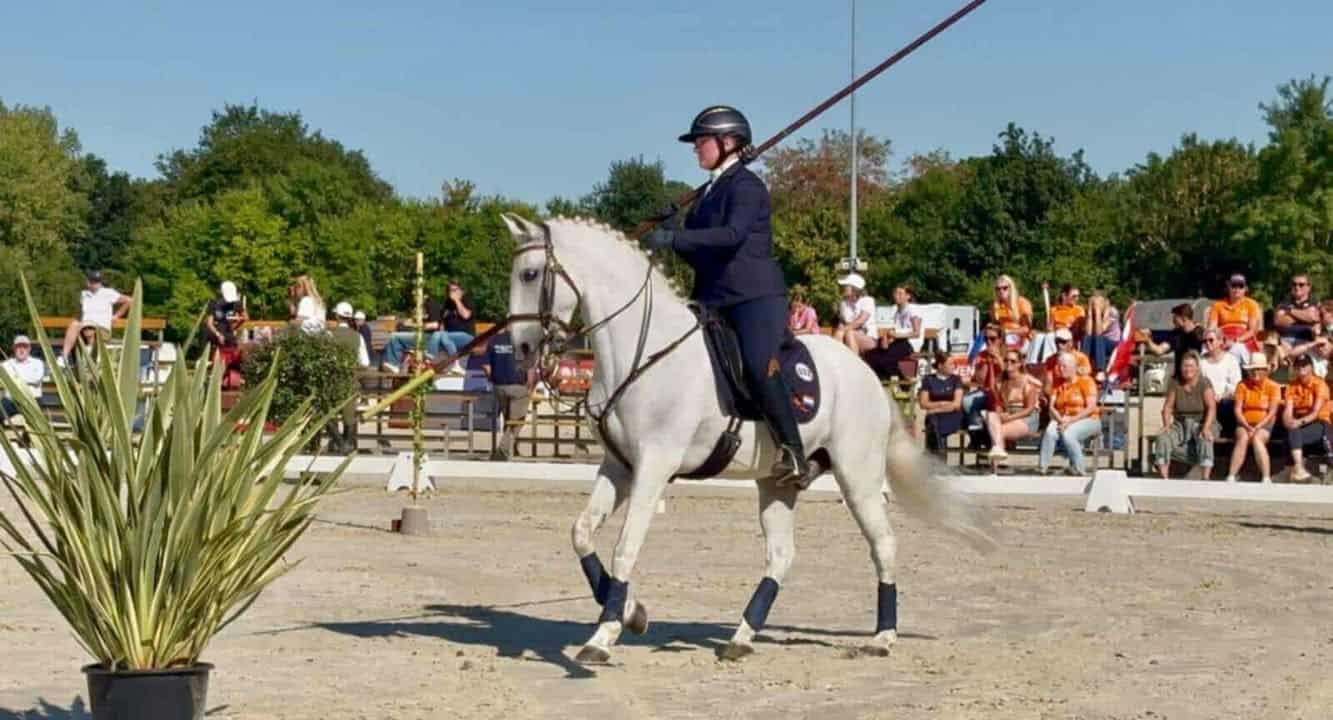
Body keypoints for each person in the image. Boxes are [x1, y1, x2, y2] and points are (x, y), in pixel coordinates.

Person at [638, 105, 814, 486]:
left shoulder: (747, 187)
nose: (696, 149)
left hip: (753, 297)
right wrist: (674, 231)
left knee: (756, 364)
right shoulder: (706, 196)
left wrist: (676, 236)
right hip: (712, 297)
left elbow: (732, 236)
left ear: (727, 142)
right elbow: (698, 249)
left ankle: (794, 452)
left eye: (701, 141)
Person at [1151, 351, 1218, 479]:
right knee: (1163, 438)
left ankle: (1205, 478)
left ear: (1197, 368)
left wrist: (1206, 427)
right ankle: (1164, 478)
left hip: (1202, 421)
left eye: (1191, 366)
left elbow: (1212, 407)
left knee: (1205, 438)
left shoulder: (1204, 383)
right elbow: (1167, 407)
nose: (1188, 369)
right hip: (1181, 423)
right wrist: (1166, 425)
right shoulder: (1175, 383)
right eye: (1185, 366)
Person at [1038, 352, 1102, 476]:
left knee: (1068, 434)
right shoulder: (1058, 384)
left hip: (1089, 419)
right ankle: (1042, 467)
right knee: (1050, 431)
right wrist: (1061, 421)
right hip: (1063, 419)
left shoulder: (1086, 381)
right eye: (1059, 366)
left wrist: (1071, 421)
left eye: (1064, 366)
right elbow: (1051, 407)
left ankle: (1079, 469)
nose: (1061, 369)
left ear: (1074, 367)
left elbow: (1091, 407)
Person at [1226, 353, 1282, 483]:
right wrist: (1246, 425)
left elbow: (1272, 412)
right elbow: (1237, 409)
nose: (1255, 372)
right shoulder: (1242, 385)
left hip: (1265, 423)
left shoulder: (1273, 386)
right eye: (1253, 369)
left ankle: (1266, 477)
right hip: (1244, 422)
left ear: (1265, 370)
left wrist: (1258, 426)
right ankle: (1231, 475)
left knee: (1257, 438)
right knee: (1243, 437)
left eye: (1258, 369)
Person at [59, 270, 132, 364]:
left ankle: (91, 361)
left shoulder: (108, 293)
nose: (95, 284)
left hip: (101, 329)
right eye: (93, 282)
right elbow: (80, 313)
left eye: (97, 282)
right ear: (88, 282)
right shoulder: (83, 295)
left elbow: (129, 301)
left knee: (90, 330)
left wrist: (116, 316)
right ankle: (64, 356)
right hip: (85, 327)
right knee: (74, 324)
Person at [984, 349, 1041, 465]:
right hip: (1010, 414)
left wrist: (1009, 418)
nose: (1008, 363)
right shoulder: (1001, 382)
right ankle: (998, 463)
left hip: (1027, 417)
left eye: (1013, 361)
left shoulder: (1027, 382)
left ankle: (995, 468)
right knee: (991, 415)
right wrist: (1000, 414)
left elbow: (1029, 409)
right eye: (1006, 360)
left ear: (1019, 364)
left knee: (998, 431)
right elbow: (997, 399)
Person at [483, 331, 532, 461]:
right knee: (516, 421)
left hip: (499, 387)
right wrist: (530, 385)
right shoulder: (522, 340)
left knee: (508, 419)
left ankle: (511, 450)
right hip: (518, 387)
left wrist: (494, 380)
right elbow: (530, 364)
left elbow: (486, 367)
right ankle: (503, 451)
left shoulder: (493, 341)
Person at [1281, 354, 1329, 482]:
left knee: (1294, 432)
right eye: (1298, 366)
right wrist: (1288, 421)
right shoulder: (1292, 386)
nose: (1301, 369)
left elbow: (1315, 412)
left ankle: (1293, 469)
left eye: (1304, 365)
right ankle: (1297, 469)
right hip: (1300, 422)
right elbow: (1288, 409)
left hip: (1320, 423)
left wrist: (1298, 422)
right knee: (1292, 430)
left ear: (1311, 367)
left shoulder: (1319, 384)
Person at [961, 325, 1005, 449]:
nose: (989, 342)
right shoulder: (981, 355)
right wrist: (984, 365)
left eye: (993, 338)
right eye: (986, 339)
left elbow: (1009, 375)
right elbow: (979, 379)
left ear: (1000, 339)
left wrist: (998, 359)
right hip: (986, 391)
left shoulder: (1009, 354)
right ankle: (977, 433)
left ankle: (983, 437)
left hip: (1003, 393)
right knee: (966, 401)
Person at [1207, 273, 1262, 364]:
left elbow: (1252, 331)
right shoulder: (1218, 305)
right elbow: (1211, 329)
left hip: (1243, 340)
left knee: (1236, 348)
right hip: (1222, 339)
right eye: (1234, 286)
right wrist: (1220, 341)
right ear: (1228, 287)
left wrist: (1235, 340)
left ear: (1245, 289)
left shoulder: (1251, 304)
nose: (1237, 289)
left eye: (1240, 286)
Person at [1141, 303, 1206, 380]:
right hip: (1179, 379)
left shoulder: (1201, 333)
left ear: (1184, 318)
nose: (1173, 321)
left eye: (1175, 318)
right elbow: (1159, 350)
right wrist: (1147, 340)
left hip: (1197, 379)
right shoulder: (1175, 335)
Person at [1198, 327, 1243, 437]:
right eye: (1205, 341)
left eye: (1211, 340)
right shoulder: (1200, 361)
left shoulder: (1231, 360)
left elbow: (1236, 385)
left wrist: (1221, 396)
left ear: (1220, 341)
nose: (1207, 343)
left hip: (1225, 401)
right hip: (1205, 400)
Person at [870, 285, 921, 379]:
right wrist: (887, 339)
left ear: (908, 296)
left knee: (884, 359)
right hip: (898, 342)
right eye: (895, 293)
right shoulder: (897, 312)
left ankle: (901, 379)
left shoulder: (912, 310)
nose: (896, 296)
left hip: (909, 344)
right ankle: (884, 380)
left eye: (900, 293)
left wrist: (896, 336)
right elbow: (894, 330)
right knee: (873, 354)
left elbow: (916, 333)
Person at [917, 352, 963, 457]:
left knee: (934, 425)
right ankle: (939, 457)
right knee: (933, 423)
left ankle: (935, 458)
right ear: (940, 366)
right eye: (950, 364)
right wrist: (942, 403)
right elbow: (923, 403)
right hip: (934, 416)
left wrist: (935, 408)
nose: (953, 366)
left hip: (952, 415)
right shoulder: (928, 379)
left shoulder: (956, 379)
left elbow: (956, 404)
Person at [428, 280, 477, 361]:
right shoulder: (447, 303)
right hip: (448, 336)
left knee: (443, 336)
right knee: (438, 335)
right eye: (449, 290)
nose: (451, 292)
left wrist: (457, 300)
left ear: (461, 291)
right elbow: (441, 324)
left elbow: (466, 315)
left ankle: (455, 363)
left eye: (454, 290)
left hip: (467, 336)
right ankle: (428, 361)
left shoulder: (466, 300)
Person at [1, 335, 45, 421]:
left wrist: (14, 378)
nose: (21, 350)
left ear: (29, 349)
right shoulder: (6, 364)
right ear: (14, 348)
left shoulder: (37, 363)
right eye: (18, 347)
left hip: (32, 401)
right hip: (11, 401)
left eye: (24, 347)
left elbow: (36, 379)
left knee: (36, 421)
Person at [832, 273, 877, 356]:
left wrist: (843, 329)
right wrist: (841, 326)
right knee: (840, 333)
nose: (843, 288)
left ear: (854, 288)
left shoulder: (867, 300)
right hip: (848, 334)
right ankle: (837, 362)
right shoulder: (844, 303)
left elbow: (860, 321)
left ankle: (854, 365)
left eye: (846, 286)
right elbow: (843, 321)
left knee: (849, 333)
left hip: (869, 338)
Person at [1274, 273, 1320, 346]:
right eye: (1294, 284)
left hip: (1306, 341)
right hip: (1284, 340)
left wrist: (1289, 311)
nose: (1297, 287)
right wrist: (1304, 315)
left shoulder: (1314, 302)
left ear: (1309, 287)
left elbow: (1312, 317)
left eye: (1301, 284)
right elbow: (1278, 321)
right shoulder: (1284, 302)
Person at [1081, 293, 1121, 374]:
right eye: (1091, 304)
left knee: (1099, 338)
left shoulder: (1112, 312)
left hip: (1113, 343)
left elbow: (1100, 332)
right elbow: (1088, 333)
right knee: (1087, 337)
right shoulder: (1089, 312)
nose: (1094, 307)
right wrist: (1089, 314)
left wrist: (1098, 312)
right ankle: (1083, 366)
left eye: (1096, 304)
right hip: (1098, 344)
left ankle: (1100, 370)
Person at [1042, 328, 1091, 393]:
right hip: (1054, 391)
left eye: (1063, 342)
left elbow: (1086, 373)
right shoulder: (1050, 359)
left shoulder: (1080, 357)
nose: (1059, 345)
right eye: (1057, 342)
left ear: (1070, 343)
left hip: (1075, 391)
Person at [990, 274, 1033, 349]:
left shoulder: (1022, 302)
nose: (1001, 291)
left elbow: (1026, 329)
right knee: (980, 339)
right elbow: (995, 325)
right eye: (998, 289)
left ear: (1011, 288)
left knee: (1007, 338)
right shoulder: (994, 306)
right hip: (999, 335)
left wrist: (1007, 332)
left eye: (1004, 288)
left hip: (1019, 336)